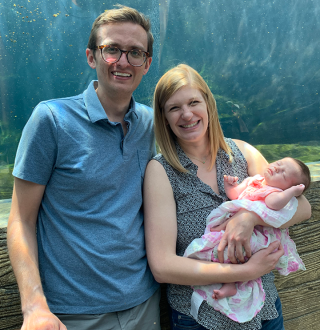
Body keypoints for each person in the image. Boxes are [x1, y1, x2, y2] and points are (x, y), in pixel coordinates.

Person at [7, 6, 160, 330]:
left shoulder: (149, 122)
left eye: (135, 52)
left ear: (146, 64)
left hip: (146, 303)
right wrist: (34, 307)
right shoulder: (50, 119)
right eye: (112, 49)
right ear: (91, 56)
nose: (122, 61)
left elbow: (202, 140)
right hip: (74, 315)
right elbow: (21, 219)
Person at [143, 64, 311, 330]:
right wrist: (246, 272)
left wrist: (248, 218)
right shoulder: (160, 171)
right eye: (174, 108)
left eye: (193, 102)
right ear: (163, 117)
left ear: (208, 104)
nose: (187, 114)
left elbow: (303, 207)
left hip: (264, 312)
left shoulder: (243, 152)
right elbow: (163, 266)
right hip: (200, 319)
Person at [184, 157, 310, 323]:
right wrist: (231, 185)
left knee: (239, 252)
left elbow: (274, 204)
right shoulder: (255, 180)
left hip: (256, 234)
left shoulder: (275, 192)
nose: (277, 168)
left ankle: (231, 284)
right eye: (279, 164)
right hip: (238, 228)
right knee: (229, 248)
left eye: (284, 175)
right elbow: (236, 194)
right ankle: (229, 282)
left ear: (287, 187)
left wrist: (291, 193)